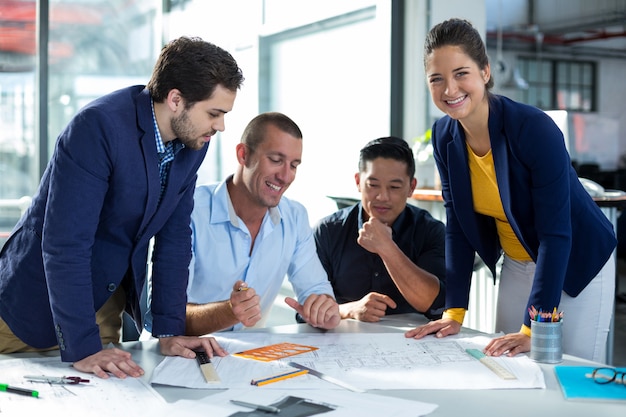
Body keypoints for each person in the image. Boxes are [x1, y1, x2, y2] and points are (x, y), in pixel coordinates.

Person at [0, 36, 245, 378]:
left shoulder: (193, 143)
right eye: (214, 113)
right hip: (29, 306)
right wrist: (82, 347)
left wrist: (170, 330)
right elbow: (65, 243)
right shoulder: (98, 127)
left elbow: (174, 242)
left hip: (102, 305)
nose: (220, 126)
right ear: (176, 99)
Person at [405, 18, 616, 362]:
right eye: (437, 78)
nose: (450, 89)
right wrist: (453, 311)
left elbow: (556, 234)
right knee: (508, 366)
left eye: (461, 73)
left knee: (570, 373)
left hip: (579, 261)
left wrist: (536, 326)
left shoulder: (533, 129)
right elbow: (458, 225)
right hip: (519, 264)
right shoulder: (444, 136)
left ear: (485, 72)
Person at [143, 111, 340, 337]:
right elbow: (163, 316)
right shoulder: (189, 210)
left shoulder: (295, 217)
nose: (285, 176)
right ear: (243, 154)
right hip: (175, 355)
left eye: (294, 165)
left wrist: (325, 309)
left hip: (243, 359)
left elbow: (316, 291)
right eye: (276, 160)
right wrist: (228, 311)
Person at [314, 137, 446, 322]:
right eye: (373, 185)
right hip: (343, 342)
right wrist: (349, 310)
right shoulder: (327, 231)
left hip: (412, 343)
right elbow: (306, 310)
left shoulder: (431, 231)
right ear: (358, 182)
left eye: (394, 187)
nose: (382, 196)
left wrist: (386, 247)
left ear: (411, 187)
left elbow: (435, 305)